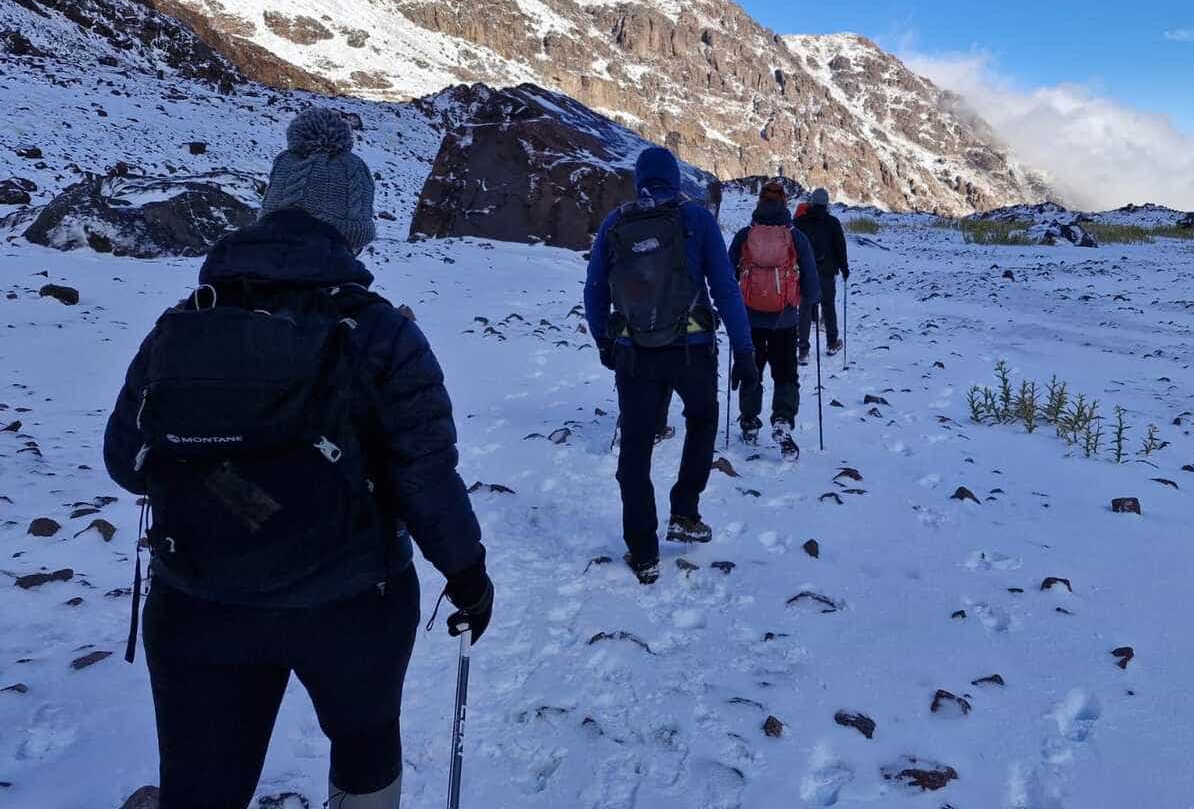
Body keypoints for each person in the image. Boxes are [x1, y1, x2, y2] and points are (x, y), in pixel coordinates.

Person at [103, 108, 493, 809]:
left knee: (203, 784)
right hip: (352, 601)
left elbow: (126, 461)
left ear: (267, 212)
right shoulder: (381, 334)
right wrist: (467, 575)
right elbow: (425, 477)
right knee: (366, 745)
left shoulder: (184, 322)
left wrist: (226, 479)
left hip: (198, 600)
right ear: (353, 229)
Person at [584, 147, 756, 585]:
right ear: (675, 178)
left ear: (639, 180)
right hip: (692, 351)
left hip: (634, 354)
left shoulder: (615, 223)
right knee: (701, 421)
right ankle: (684, 511)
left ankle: (643, 552)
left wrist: (605, 341)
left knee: (637, 447)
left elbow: (595, 291)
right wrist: (745, 349)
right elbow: (725, 289)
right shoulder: (696, 219)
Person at [728, 181, 820, 456]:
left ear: (759, 204)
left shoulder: (745, 236)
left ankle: (748, 421)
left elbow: (727, 271)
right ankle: (782, 418)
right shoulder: (796, 238)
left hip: (749, 319)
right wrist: (810, 302)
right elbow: (812, 284)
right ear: (784, 205)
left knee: (751, 371)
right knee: (786, 373)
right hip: (786, 320)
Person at [795, 187, 850, 363]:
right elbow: (840, 248)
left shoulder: (800, 222)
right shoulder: (833, 223)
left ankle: (803, 350)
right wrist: (844, 268)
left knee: (804, 308)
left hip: (805, 271)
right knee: (828, 306)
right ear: (826, 204)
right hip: (827, 271)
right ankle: (832, 342)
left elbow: (793, 247)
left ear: (812, 202)